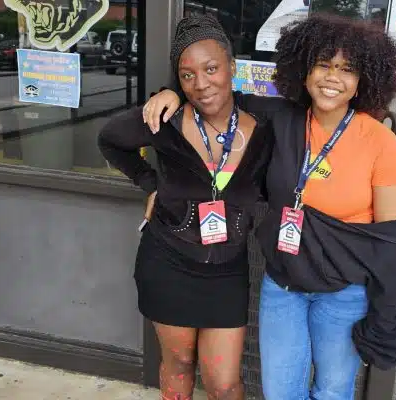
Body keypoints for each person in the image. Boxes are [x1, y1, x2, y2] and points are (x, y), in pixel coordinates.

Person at [142, 13, 396, 400]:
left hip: (344, 292)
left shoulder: (382, 145)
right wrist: (171, 92)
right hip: (284, 288)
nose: (332, 77)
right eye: (323, 64)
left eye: (347, 69)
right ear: (304, 70)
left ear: (363, 80)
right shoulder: (281, 119)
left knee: (332, 392)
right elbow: (216, 97)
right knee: (280, 393)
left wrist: (385, 318)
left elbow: (390, 242)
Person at [97, 15, 273, 400]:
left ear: (232, 67)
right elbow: (110, 140)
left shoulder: (263, 124)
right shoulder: (166, 119)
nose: (201, 84)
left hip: (227, 272)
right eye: (187, 75)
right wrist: (149, 183)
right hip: (168, 263)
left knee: (223, 383)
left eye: (211, 69)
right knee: (178, 364)